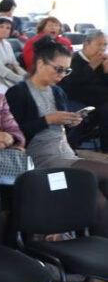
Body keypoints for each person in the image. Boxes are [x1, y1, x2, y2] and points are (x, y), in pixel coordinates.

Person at [7, 37, 108, 234]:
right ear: (40, 63)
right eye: (58, 69)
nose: (62, 74)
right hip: (40, 157)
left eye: (66, 70)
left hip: (64, 152)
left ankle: (97, 248)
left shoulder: (58, 92)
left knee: (101, 201)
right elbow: (15, 135)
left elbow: (61, 133)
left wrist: (71, 122)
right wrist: (48, 120)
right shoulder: (18, 93)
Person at [60, 29, 108, 150]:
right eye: (99, 44)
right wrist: (91, 66)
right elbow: (72, 87)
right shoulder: (73, 60)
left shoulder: (102, 60)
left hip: (99, 98)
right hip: (78, 99)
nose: (102, 48)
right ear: (87, 44)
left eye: (105, 45)